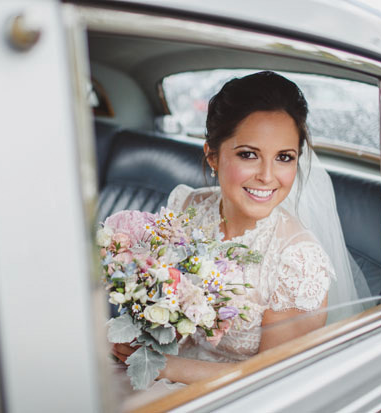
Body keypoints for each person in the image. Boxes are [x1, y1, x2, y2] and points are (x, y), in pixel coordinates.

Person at [112, 71, 366, 390]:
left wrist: (167, 366)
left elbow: (272, 381)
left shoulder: (299, 264)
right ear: (213, 156)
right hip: (153, 370)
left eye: (284, 158)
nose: (267, 176)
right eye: (249, 154)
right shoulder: (188, 205)